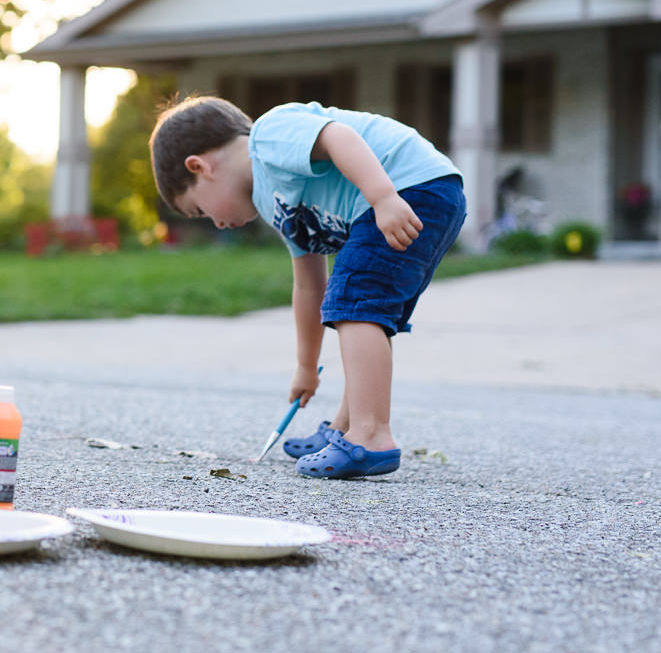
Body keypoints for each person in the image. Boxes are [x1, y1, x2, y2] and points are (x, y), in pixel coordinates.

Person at [150, 96, 467, 478]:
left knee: (356, 303)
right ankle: (345, 429)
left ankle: (370, 436)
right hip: (417, 195)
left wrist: (383, 198)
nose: (214, 223)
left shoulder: (267, 137)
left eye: (199, 210)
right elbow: (309, 286)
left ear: (199, 167)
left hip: (407, 188)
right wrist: (305, 366)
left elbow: (340, 138)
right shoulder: (274, 203)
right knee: (365, 310)